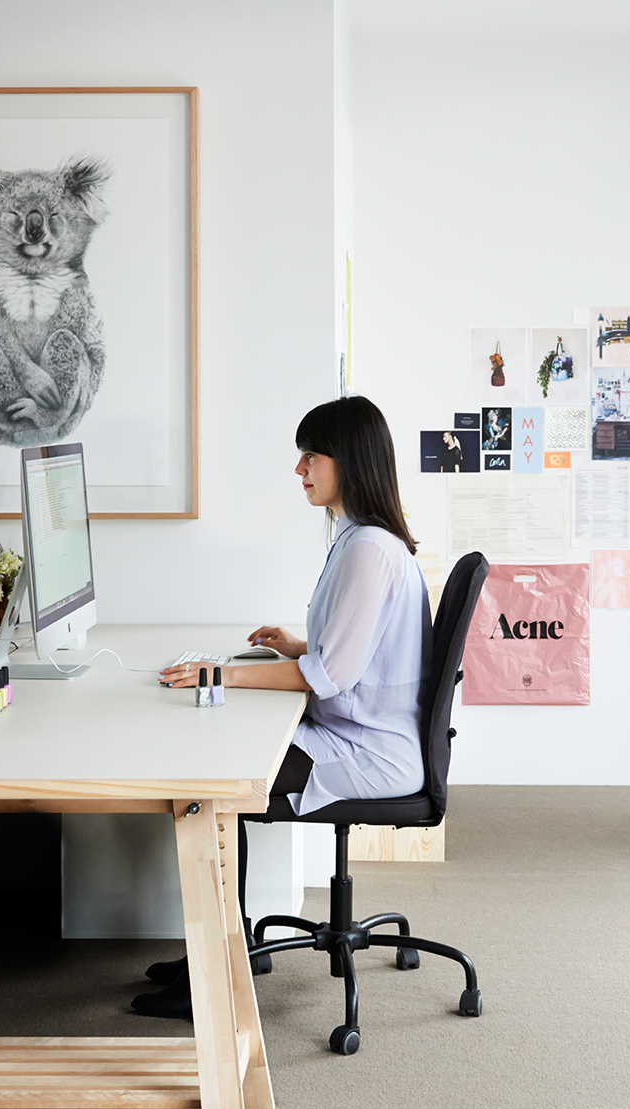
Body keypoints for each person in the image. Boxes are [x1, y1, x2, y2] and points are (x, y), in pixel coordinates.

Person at [132, 395, 431, 1018]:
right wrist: (297, 646)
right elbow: (347, 655)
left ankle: (217, 975)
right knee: (220, 771)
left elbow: (326, 677)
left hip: (368, 751)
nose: (300, 470)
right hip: (354, 730)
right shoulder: (358, 539)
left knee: (214, 789)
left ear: (346, 461)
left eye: (310, 456)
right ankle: (220, 949)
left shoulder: (369, 549)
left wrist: (220, 676)